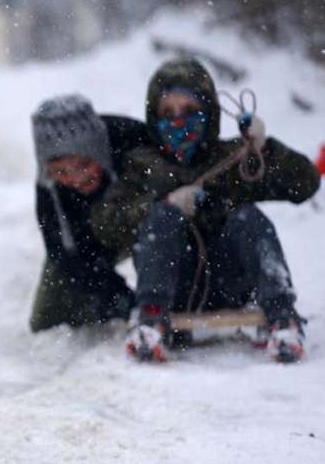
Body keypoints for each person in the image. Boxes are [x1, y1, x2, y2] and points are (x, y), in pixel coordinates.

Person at [90, 58, 320, 363]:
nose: (177, 122)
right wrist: (162, 205)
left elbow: (305, 183)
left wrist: (265, 149)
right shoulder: (141, 165)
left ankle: (282, 316)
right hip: (173, 287)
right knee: (162, 217)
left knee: (248, 217)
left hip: (228, 280)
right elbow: (105, 224)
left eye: (189, 112)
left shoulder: (232, 157)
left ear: (209, 113)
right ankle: (151, 321)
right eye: (167, 113)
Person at [29, 95, 151, 332]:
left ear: (99, 153)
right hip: (89, 238)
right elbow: (62, 251)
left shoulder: (134, 141)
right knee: (46, 320)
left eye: (84, 165)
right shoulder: (49, 186)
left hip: (141, 224)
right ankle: (96, 311)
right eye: (61, 172)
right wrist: (111, 292)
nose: (76, 179)